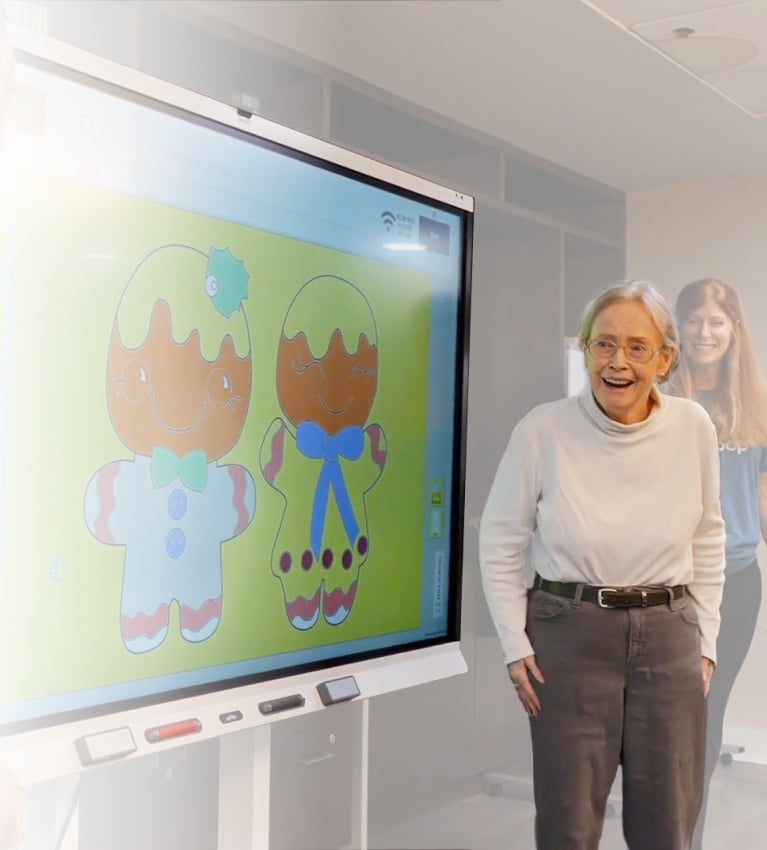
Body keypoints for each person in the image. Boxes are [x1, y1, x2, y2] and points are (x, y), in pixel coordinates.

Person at [479, 280, 726, 850]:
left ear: (665, 358)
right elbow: (501, 538)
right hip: (570, 631)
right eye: (603, 344)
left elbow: (709, 537)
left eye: (638, 347)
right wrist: (516, 644)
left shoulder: (693, 427)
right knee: (568, 823)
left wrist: (706, 641)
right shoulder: (542, 428)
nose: (618, 362)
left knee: (667, 823)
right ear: (585, 351)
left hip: (669, 635)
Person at [667, 278, 767, 850]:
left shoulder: (752, 404)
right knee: (670, 714)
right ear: (679, 327)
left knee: (707, 711)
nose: (706, 332)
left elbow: (759, 498)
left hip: (737, 584)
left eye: (718, 321)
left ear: (734, 331)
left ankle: (688, 838)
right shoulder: (659, 397)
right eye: (696, 320)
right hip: (672, 586)